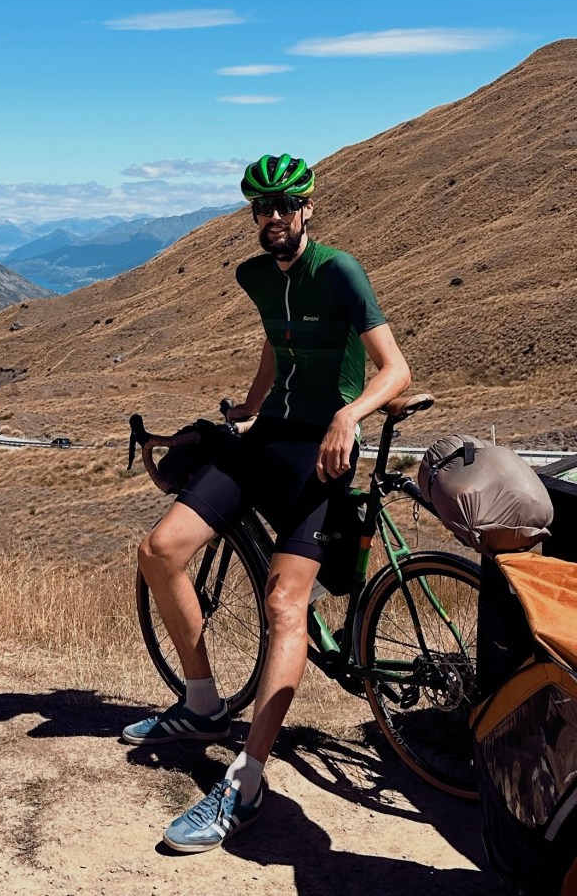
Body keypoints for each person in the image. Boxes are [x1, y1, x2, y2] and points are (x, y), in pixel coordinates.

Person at [123, 153, 411, 853]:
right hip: (266, 440)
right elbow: (276, 344)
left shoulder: (339, 271)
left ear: (307, 209)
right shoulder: (254, 276)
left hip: (319, 453)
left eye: (286, 204)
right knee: (159, 551)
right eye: (263, 207)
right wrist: (250, 406)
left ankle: (246, 782)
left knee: (285, 605)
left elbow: (396, 370)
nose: (275, 216)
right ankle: (202, 705)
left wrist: (348, 415)